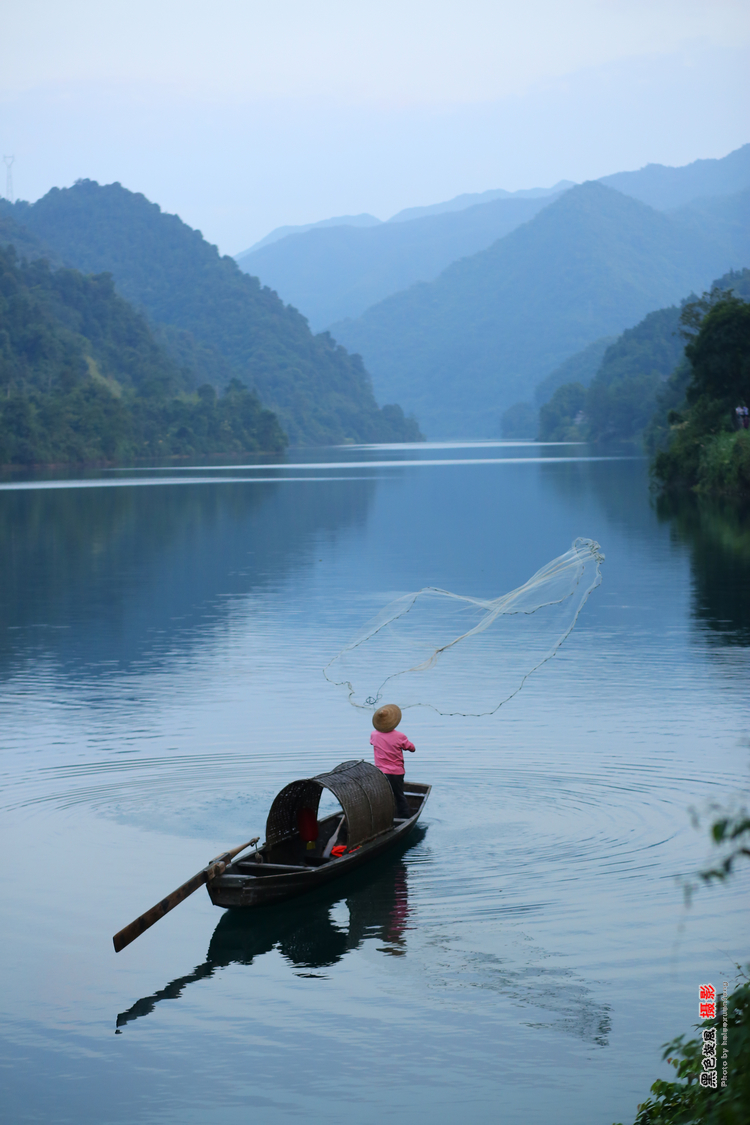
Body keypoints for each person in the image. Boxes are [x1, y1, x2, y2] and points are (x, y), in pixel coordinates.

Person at [370, 703, 415, 820]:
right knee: (399, 795)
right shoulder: (400, 736)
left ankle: (383, 817)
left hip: (380, 772)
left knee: (383, 796)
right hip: (396, 772)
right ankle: (404, 817)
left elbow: (372, 742)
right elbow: (412, 748)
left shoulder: (374, 734)